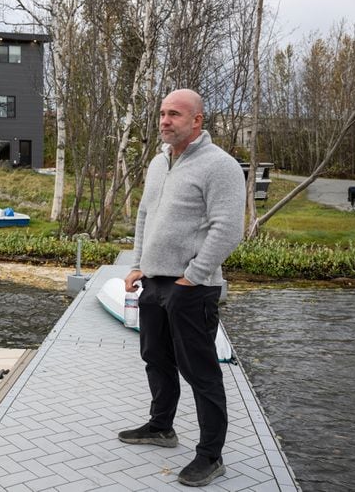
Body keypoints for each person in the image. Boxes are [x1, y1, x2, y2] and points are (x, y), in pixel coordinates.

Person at [118, 89, 246, 487]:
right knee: (155, 357)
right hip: (154, 283)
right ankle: (161, 428)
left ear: (197, 121)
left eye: (174, 114)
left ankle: (211, 456)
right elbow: (144, 214)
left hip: (192, 287)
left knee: (201, 373)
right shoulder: (159, 162)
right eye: (161, 113)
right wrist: (138, 263)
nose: (164, 121)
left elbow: (228, 228)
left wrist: (195, 275)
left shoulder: (219, 166)